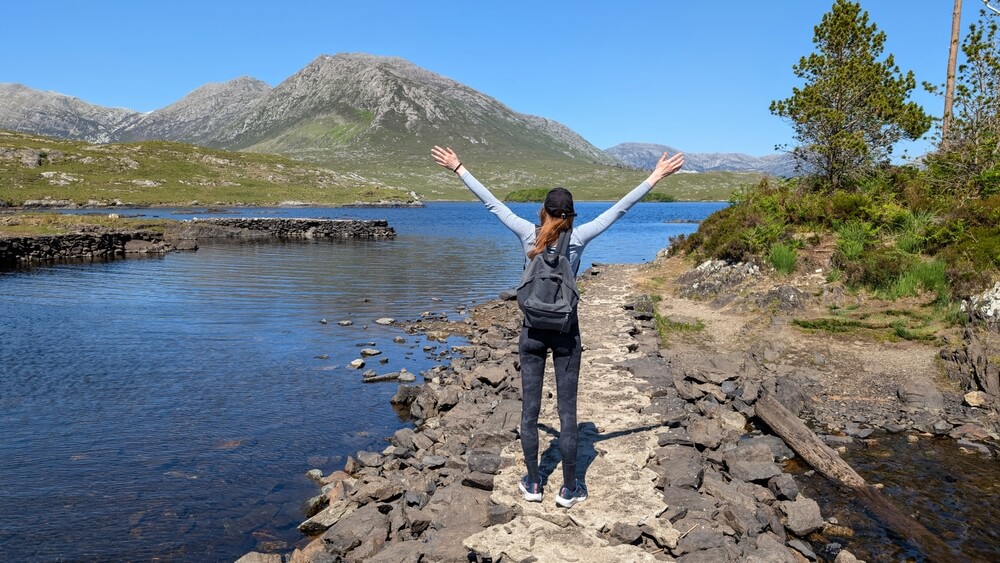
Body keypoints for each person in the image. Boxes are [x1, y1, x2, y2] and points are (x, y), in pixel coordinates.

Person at [431, 145, 684, 508]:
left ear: (544, 211)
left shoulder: (526, 234)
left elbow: (492, 204)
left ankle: (533, 484)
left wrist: (459, 169)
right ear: (570, 215)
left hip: (531, 333)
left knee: (530, 412)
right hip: (567, 334)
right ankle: (568, 490)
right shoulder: (579, 238)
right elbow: (620, 209)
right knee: (568, 413)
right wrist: (655, 177)